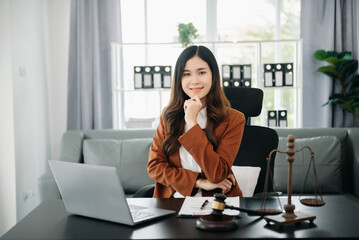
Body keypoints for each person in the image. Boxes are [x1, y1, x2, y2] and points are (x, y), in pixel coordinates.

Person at [147, 45, 245, 198]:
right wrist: (197, 182)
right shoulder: (169, 115)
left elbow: (217, 174)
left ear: (213, 75)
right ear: (179, 78)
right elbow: (154, 167)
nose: (194, 80)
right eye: (186, 74)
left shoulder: (233, 119)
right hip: (173, 202)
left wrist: (192, 123)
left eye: (201, 72)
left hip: (217, 202)